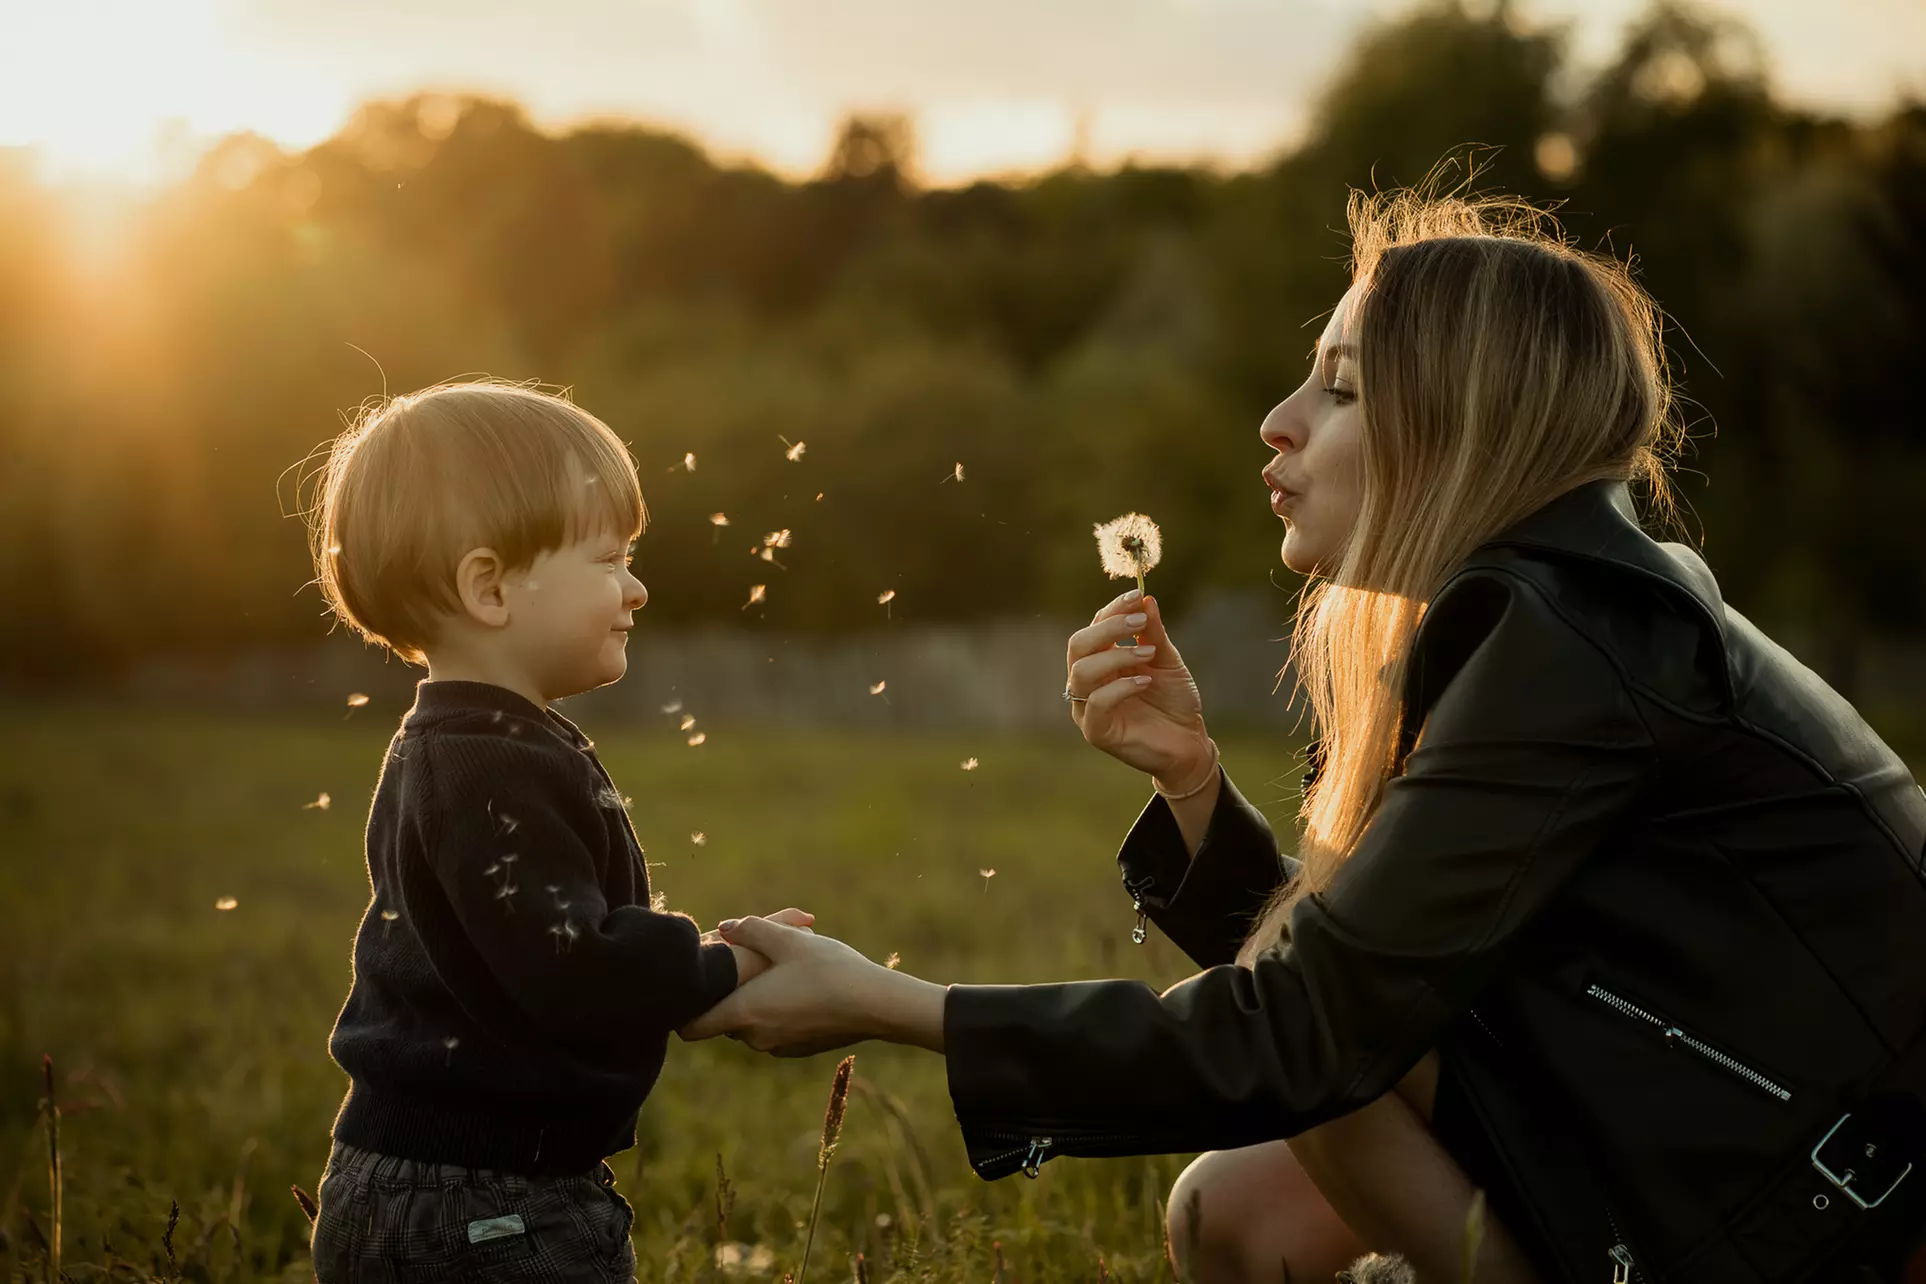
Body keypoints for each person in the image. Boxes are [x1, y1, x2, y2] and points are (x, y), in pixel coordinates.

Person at [686, 189, 1926, 1283]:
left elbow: (1311, 1026)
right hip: (1719, 1145)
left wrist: (894, 1004)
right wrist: (1191, 787)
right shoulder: (1552, 609)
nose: (1278, 422)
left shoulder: (1574, 640)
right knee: (1238, 1210)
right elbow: (1363, 968)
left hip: (1844, 1218)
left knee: (1323, 1091)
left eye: (1340, 389)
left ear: (1459, 423)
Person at [298, 381, 809, 1283]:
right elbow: (574, 968)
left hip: (431, 1190)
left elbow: (537, 945)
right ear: (489, 586)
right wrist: (725, 965)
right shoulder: (491, 767)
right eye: (610, 560)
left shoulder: (469, 745)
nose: (638, 588)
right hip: (490, 1209)